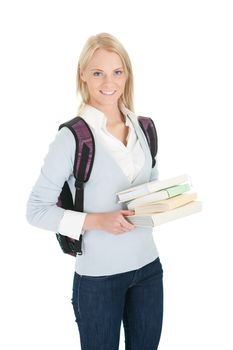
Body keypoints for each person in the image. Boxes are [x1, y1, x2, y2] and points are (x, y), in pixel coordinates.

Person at [26, 32, 163, 350]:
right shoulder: (72, 137)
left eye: (117, 71)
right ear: (82, 74)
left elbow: (150, 190)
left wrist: (169, 202)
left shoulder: (145, 128)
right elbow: (36, 209)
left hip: (148, 271)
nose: (108, 82)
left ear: (127, 74)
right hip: (99, 279)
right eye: (98, 72)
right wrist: (99, 221)